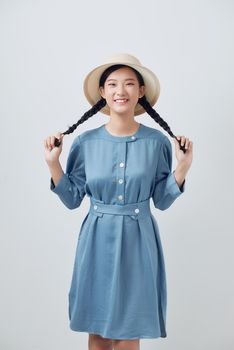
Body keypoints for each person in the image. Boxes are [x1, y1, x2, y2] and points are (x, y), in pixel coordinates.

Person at [44, 53, 193, 350]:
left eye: (128, 84)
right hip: (96, 241)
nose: (120, 91)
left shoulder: (157, 143)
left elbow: (162, 201)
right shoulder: (86, 143)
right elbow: (73, 199)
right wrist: (53, 164)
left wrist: (182, 167)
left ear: (140, 91)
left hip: (139, 241)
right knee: (97, 332)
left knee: (129, 332)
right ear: (102, 93)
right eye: (112, 84)